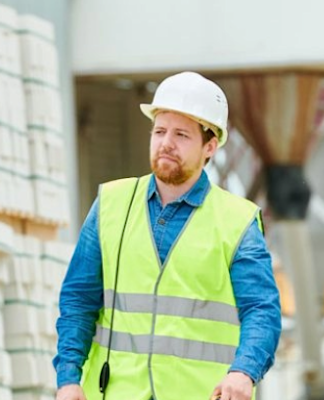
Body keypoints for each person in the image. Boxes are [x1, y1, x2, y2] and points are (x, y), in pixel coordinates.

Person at [53, 71, 282, 400]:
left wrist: (243, 371)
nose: (166, 143)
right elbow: (79, 299)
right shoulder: (111, 204)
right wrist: (68, 378)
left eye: (181, 135)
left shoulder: (237, 221)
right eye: (159, 131)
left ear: (210, 146)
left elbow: (261, 310)